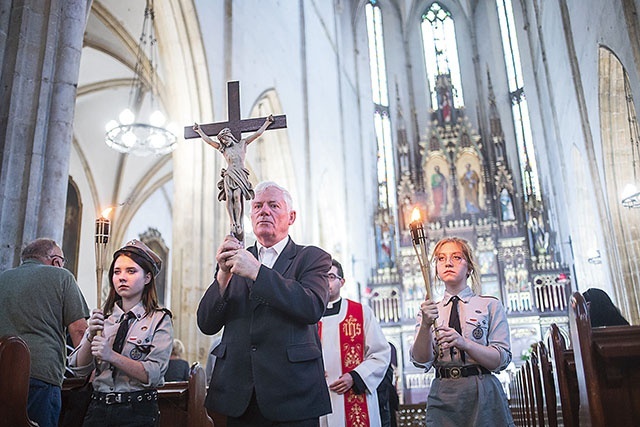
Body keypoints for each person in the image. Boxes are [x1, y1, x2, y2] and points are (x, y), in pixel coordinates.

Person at [197, 181, 332, 426]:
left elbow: (311, 306)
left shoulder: (311, 257)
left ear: (291, 217)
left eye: (273, 205)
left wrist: (258, 272)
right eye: (257, 206)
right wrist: (223, 276)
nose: (264, 211)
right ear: (250, 216)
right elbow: (206, 323)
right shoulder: (236, 259)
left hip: (293, 394)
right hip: (239, 395)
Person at [68, 239, 173, 427]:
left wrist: (111, 356)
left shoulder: (158, 320)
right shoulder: (104, 320)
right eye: (117, 272)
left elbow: (154, 374)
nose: (122, 277)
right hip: (98, 408)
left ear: (147, 277)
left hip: (137, 411)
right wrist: (90, 335)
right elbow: (78, 369)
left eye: (131, 271)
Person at [410, 237, 514, 426]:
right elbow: (420, 360)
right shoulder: (429, 310)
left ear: (470, 267)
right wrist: (425, 326)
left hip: (481, 391)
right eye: (441, 259)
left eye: (456, 257)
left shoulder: (489, 305)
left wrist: (464, 343)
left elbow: (501, 360)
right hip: (444, 394)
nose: (448, 262)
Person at [0, 238, 89, 427]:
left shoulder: (3, 278)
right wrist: (90, 371)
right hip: (40, 376)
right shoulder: (62, 277)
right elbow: (80, 331)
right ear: (56, 261)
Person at [319, 259, 390, 427]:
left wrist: (355, 377)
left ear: (342, 282)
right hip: (319, 400)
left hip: (356, 394)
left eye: (330, 276)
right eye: (320, 277)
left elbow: (380, 354)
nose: (324, 281)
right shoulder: (307, 316)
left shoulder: (360, 312)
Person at [193, 115, 275, 241]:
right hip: (229, 174)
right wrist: (199, 131)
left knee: (237, 196)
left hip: (240, 173)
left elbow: (257, 134)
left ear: (229, 136)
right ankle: (233, 222)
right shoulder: (223, 149)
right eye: (223, 141)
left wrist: (267, 123)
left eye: (225, 139)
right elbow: (209, 141)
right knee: (229, 197)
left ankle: (238, 221)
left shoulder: (243, 144)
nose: (225, 142)